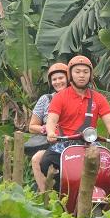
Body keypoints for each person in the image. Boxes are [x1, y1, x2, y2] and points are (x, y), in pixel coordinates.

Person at [39, 55, 110, 185]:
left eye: (85, 72)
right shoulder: (60, 97)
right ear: (70, 75)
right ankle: (62, 191)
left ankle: (98, 196)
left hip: (90, 144)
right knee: (46, 162)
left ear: (90, 75)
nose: (81, 75)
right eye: (77, 71)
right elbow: (51, 120)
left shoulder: (99, 98)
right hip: (66, 143)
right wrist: (51, 132)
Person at [30, 63, 69, 192]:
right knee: (36, 159)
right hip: (52, 143)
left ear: (68, 78)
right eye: (54, 79)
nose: (58, 82)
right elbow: (32, 126)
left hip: (74, 142)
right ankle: (45, 196)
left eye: (61, 78)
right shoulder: (46, 99)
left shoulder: (76, 97)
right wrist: (44, 128)